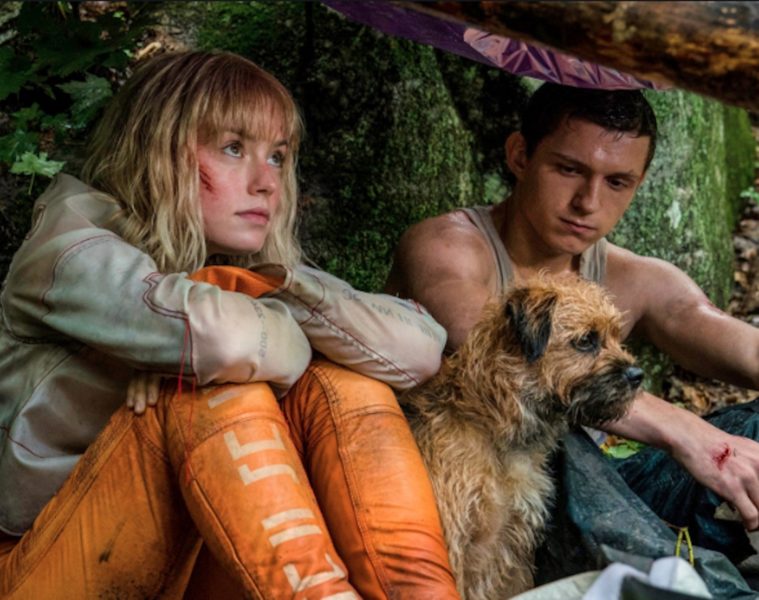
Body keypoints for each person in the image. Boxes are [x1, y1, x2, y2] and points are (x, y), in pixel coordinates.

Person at [0, 51, 460, 599]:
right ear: (158, 147)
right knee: (209, 388)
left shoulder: (242, 264)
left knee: (341, 381)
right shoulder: (69, 249)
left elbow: (421, 351)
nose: (266, 183)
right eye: (233, 148)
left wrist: (277, 293)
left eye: (278, 156)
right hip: (37, 565)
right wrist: (243, 334)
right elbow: (224, 338)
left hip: (191, 561)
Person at [386, 82, 759, 567]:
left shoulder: (632, 277)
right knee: (562, 435)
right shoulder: (447, 248)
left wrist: (716, 447)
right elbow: (487, 345)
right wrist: (687, 432)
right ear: (520, 155)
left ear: (640, 183)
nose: (588, 201)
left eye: (617, 182)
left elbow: (738, 344)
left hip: (603, 507)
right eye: (569, 169)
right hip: (480, 509)